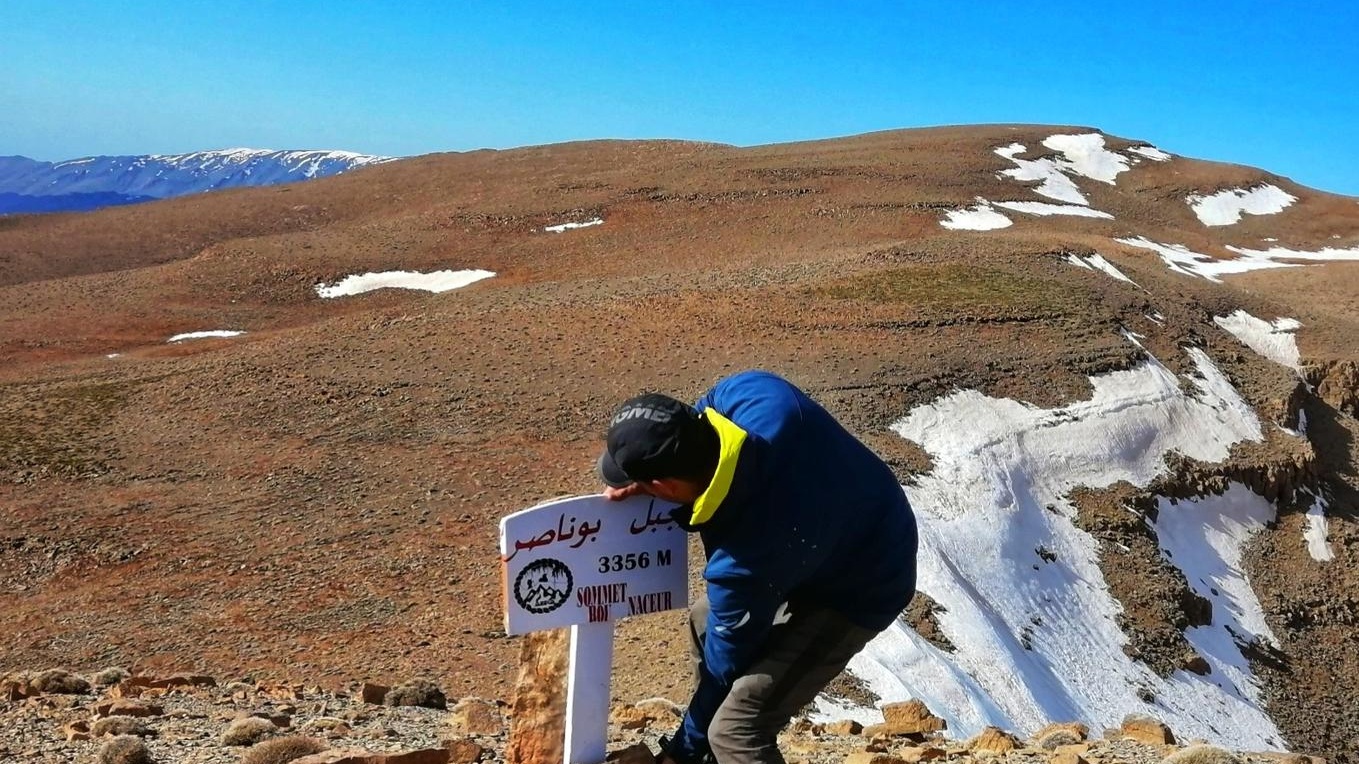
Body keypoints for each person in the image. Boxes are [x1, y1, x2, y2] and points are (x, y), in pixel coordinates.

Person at [598, 370, 918, 764]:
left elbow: (725, 665)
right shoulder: (754, 394)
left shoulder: (744, 559)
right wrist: (654, 468)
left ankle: (710, 751)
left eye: (645, 484)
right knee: (705, 616)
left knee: (736, 729)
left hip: (866, 581)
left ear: (664, 487)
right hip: (848, 525)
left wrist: (682, 750)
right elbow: (701, 416)